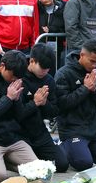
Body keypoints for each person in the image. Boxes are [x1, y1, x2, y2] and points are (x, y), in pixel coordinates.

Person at [55, 40, 96, 171]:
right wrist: (85, 89)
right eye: (92, 61)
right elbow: (62, 104)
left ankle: (86, 148)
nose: (94, 65)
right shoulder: (64, 73)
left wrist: (94, 90)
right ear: (81, 55)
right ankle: (61, 145)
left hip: (94, 129)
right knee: (83, 164)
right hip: (72, 129)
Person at [0, 50, 38, 183]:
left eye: (18, 77)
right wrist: (8, 98)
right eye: (13, 76)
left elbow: (20, 115)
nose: (14, 79)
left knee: (38, 171)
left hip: (12, 137)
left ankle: (1, 161)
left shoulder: (16, 79)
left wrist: (18, 100)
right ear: (2, 65)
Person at [20, 43, 68, 172]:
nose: (45, 71)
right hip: (20, 133)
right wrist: (34, 103)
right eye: (42, 68)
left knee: (61, 164)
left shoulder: (49, 80)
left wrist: (44, 103)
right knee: (32, 169)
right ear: (32, 61)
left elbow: (54, 112)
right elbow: (16, 113)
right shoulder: (19, 75)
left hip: (39, 132)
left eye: (48, 69)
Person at [35, 0, 65, 69]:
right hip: (40, 46)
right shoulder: (36, 8)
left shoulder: (62, 8)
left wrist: (51, 30)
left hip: (57, 46)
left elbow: (65, 28)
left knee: (55, 67)